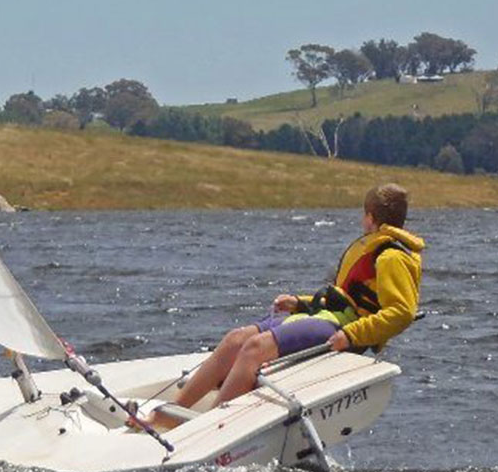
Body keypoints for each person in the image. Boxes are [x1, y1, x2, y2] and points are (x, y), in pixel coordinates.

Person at [141, 183, 424, 430]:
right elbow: (348, 295)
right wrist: (300, 302)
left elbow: (402, 312)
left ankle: (207, 427)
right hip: (330, 316)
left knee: (254, 349)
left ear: (369, 217)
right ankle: (173, 414)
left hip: (345, 331)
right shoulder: (373, 247)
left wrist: (352, 336)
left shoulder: (390, 258)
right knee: (236, 339)